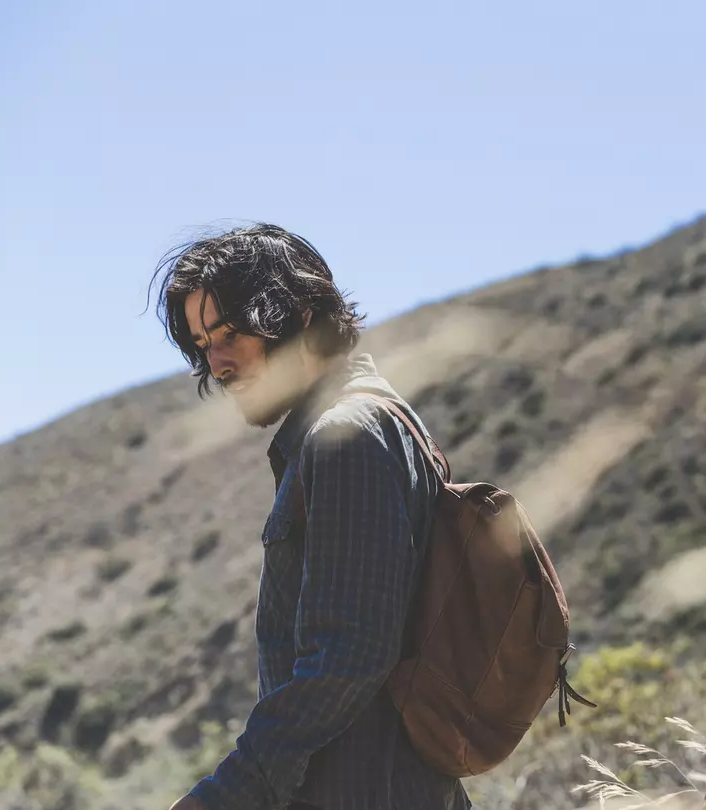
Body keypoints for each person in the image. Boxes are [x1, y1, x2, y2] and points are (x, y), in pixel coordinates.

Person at [151, 224, 471, 810]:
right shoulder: (367, 424)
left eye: (229, 334)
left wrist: (225, 796)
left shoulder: (344, 436)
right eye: (202, 345)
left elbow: (349, 653)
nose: (216, 363)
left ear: (297, 315)